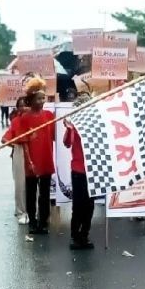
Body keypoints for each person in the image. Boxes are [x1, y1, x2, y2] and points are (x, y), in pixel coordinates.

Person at [6, 77, 55, 235]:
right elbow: (25, 141)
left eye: (43, 98)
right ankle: (32, 222)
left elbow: (55, 136)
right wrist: (29, 161)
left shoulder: (49, 115)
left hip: (46, 158)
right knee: (31, 192)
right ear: (31, 100)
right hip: (31, 161)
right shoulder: (24, 118)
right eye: (39, 98)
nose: (42, 101)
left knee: (45, 193)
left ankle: (43, 221)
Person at [64, 93, 94, 249]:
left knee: (89, 205)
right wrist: (69, 128)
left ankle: (85, 235)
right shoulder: (73, 125)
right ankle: (75, 236)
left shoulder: (96, 124)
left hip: (93, 170)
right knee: (78, 205)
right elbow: (67, 143)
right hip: (78, 170)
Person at [2, 97, 29, 224]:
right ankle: (21, 212)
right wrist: (16, 146)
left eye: (26, 105)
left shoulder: (35, 119)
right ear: (17, 108)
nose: (23, 108)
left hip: (34, 151)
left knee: (35, 184)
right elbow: (4, 139)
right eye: (21, 106)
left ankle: (33, 211)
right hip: (19, 152)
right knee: (20, 184)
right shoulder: (16, 121)